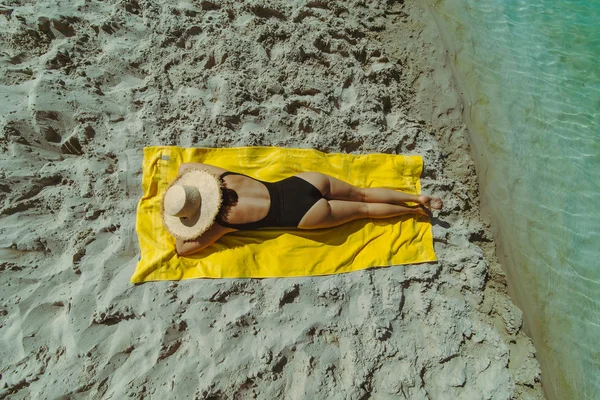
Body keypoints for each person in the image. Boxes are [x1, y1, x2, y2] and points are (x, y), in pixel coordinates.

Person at [163, 162, 443, 256]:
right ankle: (416, 197)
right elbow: (185, 168)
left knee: (363, 211)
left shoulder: (222, 224)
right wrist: (184, 186)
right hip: (302, 183)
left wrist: (195, 223)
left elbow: (182, 249)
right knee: (363, 193)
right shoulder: (223, 177)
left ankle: (413, 213)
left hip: (305, 216)